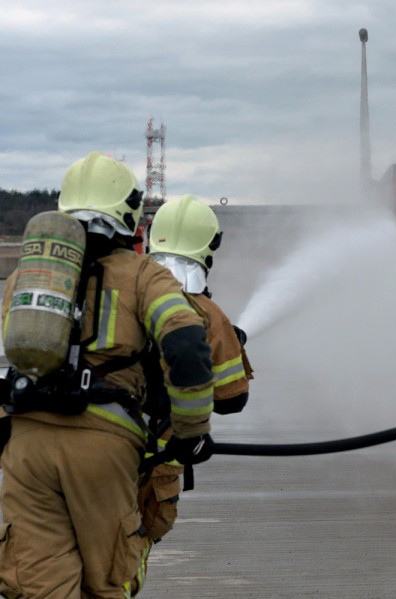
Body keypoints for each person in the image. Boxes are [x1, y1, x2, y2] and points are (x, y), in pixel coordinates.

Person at [0, 152, 215, 598]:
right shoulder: (145, 276)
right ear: (129, 213)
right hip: (102, 444)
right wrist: (190, 431)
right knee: (109, 579)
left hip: (26, 445)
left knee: (38, 585)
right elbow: (186, 345)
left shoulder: (28, 275)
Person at [131, 194, 252, 592]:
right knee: (125, 555)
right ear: (207, 248)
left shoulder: (122, 290)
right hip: (156, 458)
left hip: (89, 446)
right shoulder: (207, 314)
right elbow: (232, 401)